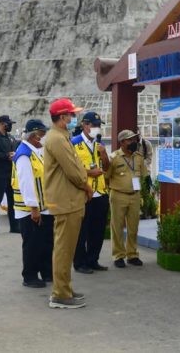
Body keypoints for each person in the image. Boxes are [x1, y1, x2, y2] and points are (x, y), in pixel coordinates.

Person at [43, 98, 93, 309]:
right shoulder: (57, 138)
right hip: (67, 200)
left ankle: (65, 288)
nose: (74, 118)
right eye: (72, 115)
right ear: (62, 117)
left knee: (67, 247)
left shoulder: (61, 136)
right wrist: (86, 186)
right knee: (64, 249)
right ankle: (60, 294)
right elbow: (73, 170)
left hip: (69, 199)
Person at [11, 119, 54, 288]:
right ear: (34, 136)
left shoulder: (36, 151)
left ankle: (47, 272)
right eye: (42, 134)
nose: (44, 137)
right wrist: (34, 209)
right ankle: (30, 276)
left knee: (45, 243)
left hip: (43, 207)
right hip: (29, 209)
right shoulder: (24, 154)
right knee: (32, 244)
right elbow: (26, 184)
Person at [71, 112, 110, 274]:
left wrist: (104, 154)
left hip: (100, 192)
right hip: (83, 192)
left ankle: (93, 259)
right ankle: (80, 262)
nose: (97, 128)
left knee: (98, 229)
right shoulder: (74, 143)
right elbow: (71, 168)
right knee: (82, 230)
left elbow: (106, 167)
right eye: (94, 125)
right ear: (85, 125)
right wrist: (88, 172)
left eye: (99, 125)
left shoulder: (99, 144)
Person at [105, 130, 145, 268]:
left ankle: (132, 255)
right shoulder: (114, 157)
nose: (133, 142)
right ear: (122, 142)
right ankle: (118, 256)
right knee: (117, 227)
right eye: (129, 140)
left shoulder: (138, 157)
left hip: (135, 196)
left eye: (134, 139)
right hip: (118, 195)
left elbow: (143, 175)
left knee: (133, 227)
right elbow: (106, 176)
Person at [0, 115, 20, 233]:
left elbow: (14, 149)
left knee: (13, 201)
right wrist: (6, 156)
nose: (10, 126)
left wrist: (14, 154)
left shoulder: (10, 137)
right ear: (1, 124)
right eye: (8, 123)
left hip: (10, 174)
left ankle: (14, 226)